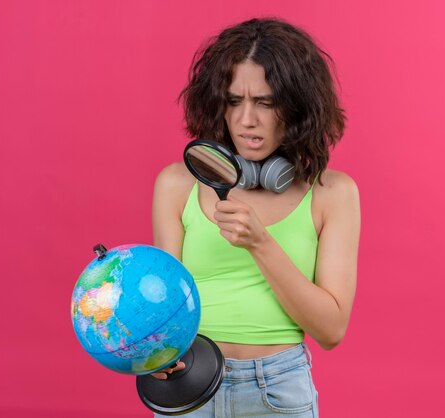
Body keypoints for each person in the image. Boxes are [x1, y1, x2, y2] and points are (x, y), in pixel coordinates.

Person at [151, 17, 360, 417]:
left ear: (297, 107)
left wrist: (260, 242)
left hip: (277, 389)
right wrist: (157, 355)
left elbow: (331, 330)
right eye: (234, 101)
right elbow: (169, 311)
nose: (247, 120)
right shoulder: (177, 185)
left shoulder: (332, 194)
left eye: (265, 102)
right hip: (190, 385)